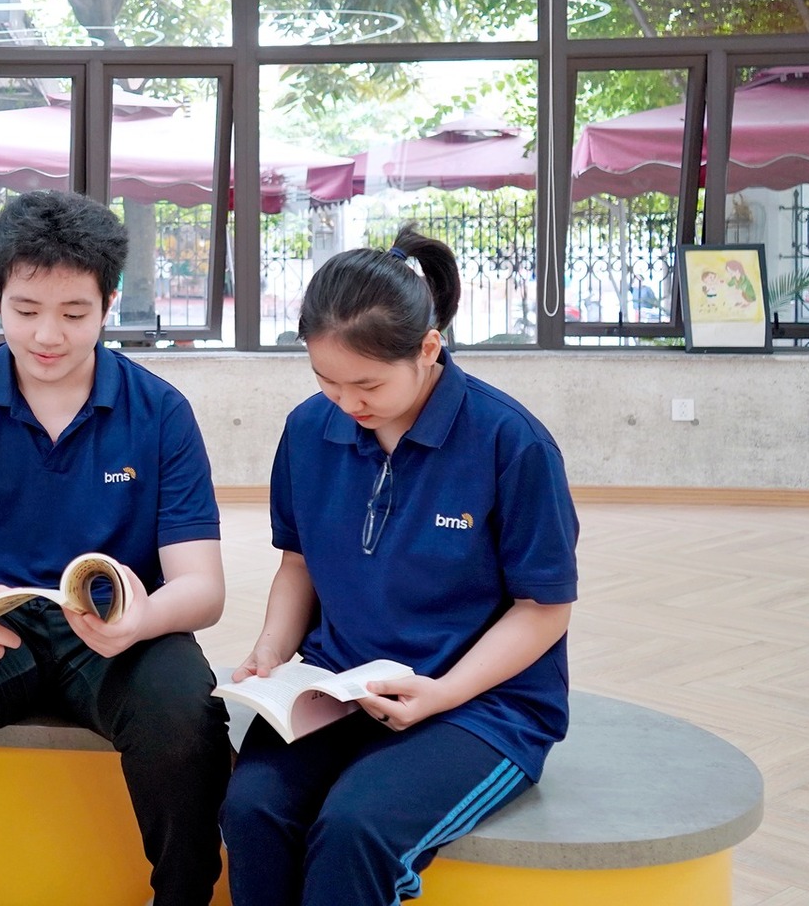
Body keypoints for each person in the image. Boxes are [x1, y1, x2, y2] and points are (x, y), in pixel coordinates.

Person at [0, 189, 230, 906]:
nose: (47, 336)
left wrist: (143, 620)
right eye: (26, 310)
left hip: (115, 636)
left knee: (185, 707)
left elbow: (203, 587)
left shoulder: (160, 411)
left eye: (74, 313)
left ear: (108, 304)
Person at [222, 226, 579, 906]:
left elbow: (544, 609)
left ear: (428, 349)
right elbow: (298, 562)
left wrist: (443, 693)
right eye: (327, 380)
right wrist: (272, 647)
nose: (347, 404)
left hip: (479, 707)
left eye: (367, 385)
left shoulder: (511, 443)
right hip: (337, 686)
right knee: (252, 810)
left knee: (356, 830)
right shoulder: (309, 430)